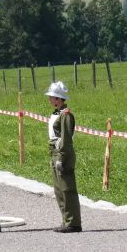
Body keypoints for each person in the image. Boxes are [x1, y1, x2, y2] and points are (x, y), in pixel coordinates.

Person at [45, 81, 83, 233]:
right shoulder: (57, 113)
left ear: (58, 98)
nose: (49, 99)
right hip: (55, 151)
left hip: (62, 152)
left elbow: (66, 139)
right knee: (59, 189)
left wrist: (61, 157)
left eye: (52, 97)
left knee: (67, 189)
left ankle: (73, 222)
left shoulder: (65, 115)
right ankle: (66, 220)